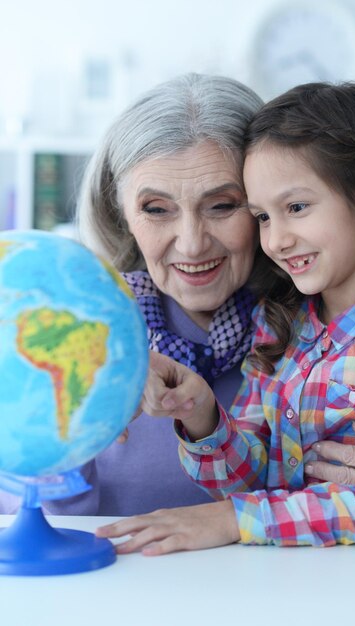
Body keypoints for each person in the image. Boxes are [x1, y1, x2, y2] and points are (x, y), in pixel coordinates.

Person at [96, 81, 355, 553]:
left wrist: (234, 519)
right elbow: (249, 478)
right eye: (263, 217)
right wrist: (202, 413)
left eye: (297, 208)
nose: (277, 240)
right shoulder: (282, 322)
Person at [0, 73, 265, 516]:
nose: (192, 243)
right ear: (120, 214)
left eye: (221, 205)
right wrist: (79, 436)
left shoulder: (319, 336)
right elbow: (27, 529)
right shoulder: (75, 326)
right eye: (156, 210)